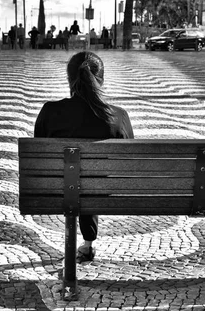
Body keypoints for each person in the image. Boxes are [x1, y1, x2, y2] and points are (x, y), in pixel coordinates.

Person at [34, 51, 134, 263]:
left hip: (55, 191)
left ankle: (86, 244)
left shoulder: (50, 112)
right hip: (105, 193)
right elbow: (127, 163)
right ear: (102, 79)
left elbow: (39, 161)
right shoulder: (118, 116)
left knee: (75, 177)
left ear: (69, 79)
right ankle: (89, 243)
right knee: (93, 179)